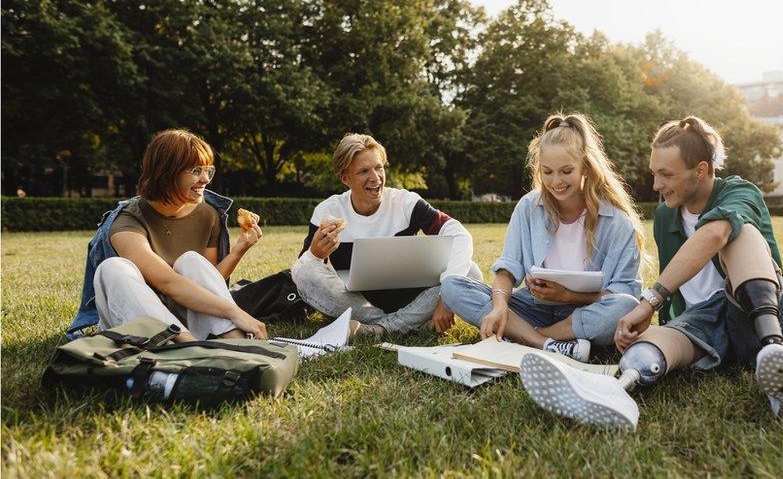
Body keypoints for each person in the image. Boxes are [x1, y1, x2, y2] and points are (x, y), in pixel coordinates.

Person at [519, 116, 783, 429]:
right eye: (654, 173)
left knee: (739, 234)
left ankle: (774, 353)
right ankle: (614, 390)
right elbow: (679, 294)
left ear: (700, 170)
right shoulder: (665, 214)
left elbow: (714, 236)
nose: (656, 185)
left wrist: (649, 302)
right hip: (704, 325)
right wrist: (649, 326)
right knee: (647, 344)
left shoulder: (739, 192)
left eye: (666, 175)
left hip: (763, 318)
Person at [440, 113, 647, 362]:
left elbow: (626, 294)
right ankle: (547, 344)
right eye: (547, 172)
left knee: (627, 306)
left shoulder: (617, 222)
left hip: (586, 312)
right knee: (452, 286)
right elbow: (507, 269)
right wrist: (500, 306)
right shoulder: (529, 207)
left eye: (566, 171)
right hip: (533, 308)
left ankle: (528, 338)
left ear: (586, 167)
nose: (556, 181)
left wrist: (569, 297)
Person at [66, 129, 267, 343]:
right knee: (112, 268)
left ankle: (230, 337)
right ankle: (187, 345)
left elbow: (208, 281)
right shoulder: (126, 222)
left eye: (208, 170)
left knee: (191, 260)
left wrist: (238, 250)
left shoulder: (208, 214)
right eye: (196, 170)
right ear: (167, 172)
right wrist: (236, 312)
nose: (206, 179)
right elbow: (167, 283)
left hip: (187, 314)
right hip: (139, 321)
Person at [291, 133, 482, 340]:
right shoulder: (327, 211)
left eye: (379, 167)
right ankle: (410, 324)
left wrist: (446, 296)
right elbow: (306, 273)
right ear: (345, 178)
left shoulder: (405, 203)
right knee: (304, 272)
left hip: (413, 299)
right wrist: (315, 254)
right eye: (364, 171)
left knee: (471, 272)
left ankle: (382, 330)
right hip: (361, 306)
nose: (375, 177)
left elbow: (458, 233)